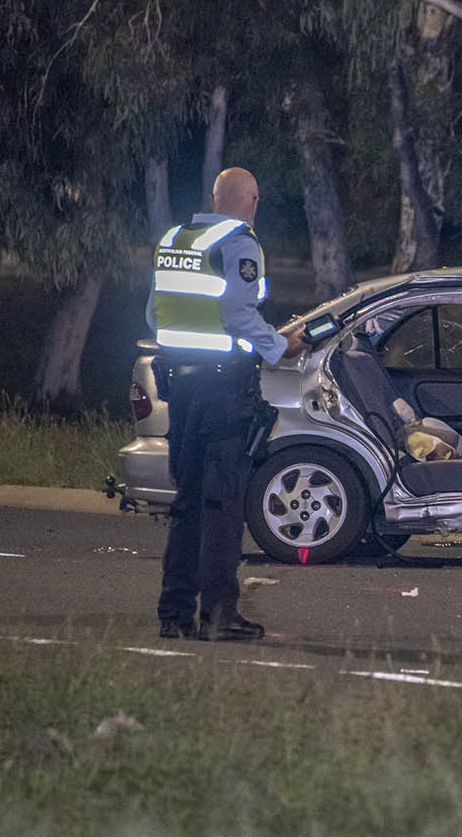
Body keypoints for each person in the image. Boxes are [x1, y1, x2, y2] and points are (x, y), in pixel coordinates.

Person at [147, 167, 307, 641]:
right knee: (222, 505)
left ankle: (173, 614)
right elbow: (237, 313)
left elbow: (154, 312)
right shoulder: (238, 243)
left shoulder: (174, 239)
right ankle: (220, 615)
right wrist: (281, 346)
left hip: (181, 387)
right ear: (253, 200)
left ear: (215, 197)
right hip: (222, 389)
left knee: (188, 504)